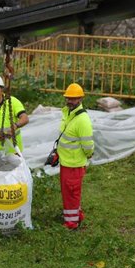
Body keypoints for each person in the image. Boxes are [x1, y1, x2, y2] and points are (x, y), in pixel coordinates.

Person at [56, 83, 94, 230]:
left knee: (71, 193)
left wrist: (88, 155)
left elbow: (88, 145)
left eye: (74, 99)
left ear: (81, 99)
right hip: (67, 163)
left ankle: (71, 223)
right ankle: (76, 215)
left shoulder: (82, 119)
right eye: (68, 98)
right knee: (70, 193)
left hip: (74, 164)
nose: (70, 101)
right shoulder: (68, 114)